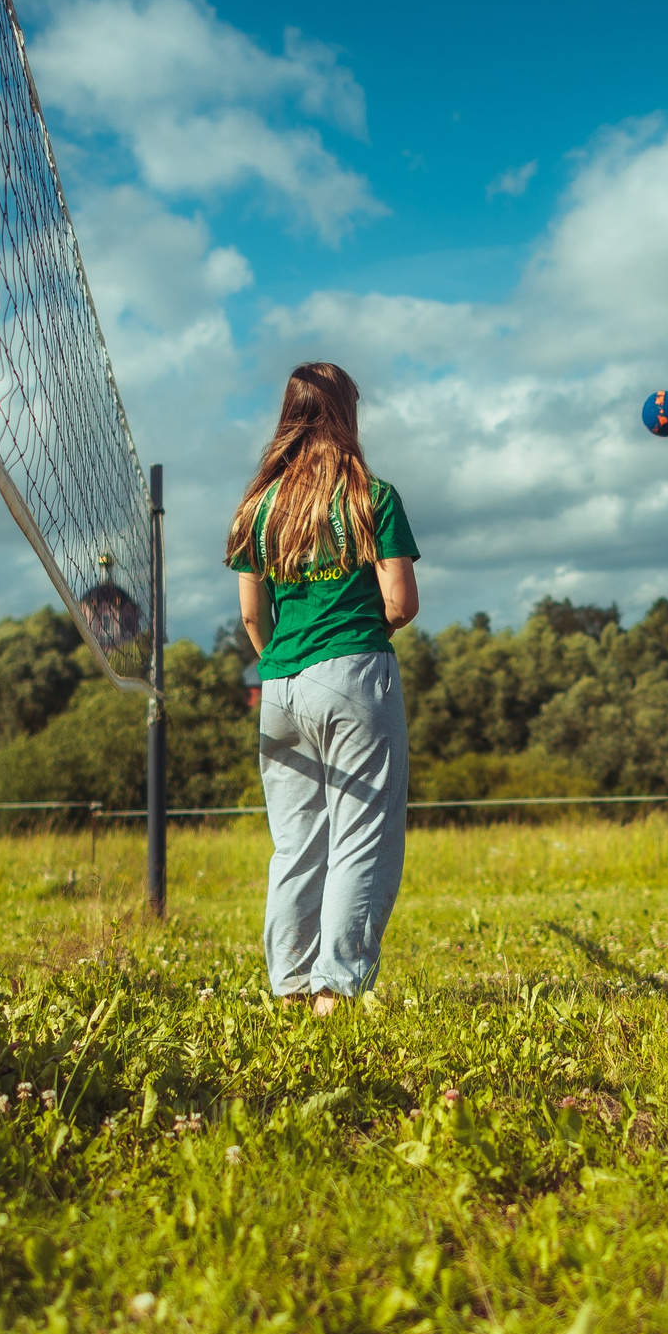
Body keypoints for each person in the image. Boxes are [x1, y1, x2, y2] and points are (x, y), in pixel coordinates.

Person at [225, 363, 420, 1015]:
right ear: (344, 412)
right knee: (361, 836)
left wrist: (286, 663)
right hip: (354, 673)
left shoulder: (257, 508)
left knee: (296, 844)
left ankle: (287, 987)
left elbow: (253, 617)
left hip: (279, 683)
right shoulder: (374, 496)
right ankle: (335, 990)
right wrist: (352, 632)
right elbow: (400, 604)